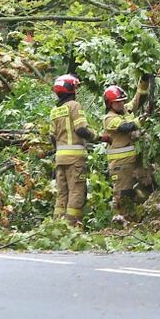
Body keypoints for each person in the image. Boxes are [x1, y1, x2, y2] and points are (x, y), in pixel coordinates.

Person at [48, 74, 98, 225]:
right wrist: (97, 136)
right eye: (76, 88)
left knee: (62, 194)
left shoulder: (55, 111)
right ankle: (72, 227)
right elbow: (81, 130)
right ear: (71, 89)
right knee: (76, 192)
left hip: (60, 159)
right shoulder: (74, 106)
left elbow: (52, 137)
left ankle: (57, 226)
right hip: (75, 160)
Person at [102, 75, 153, 214]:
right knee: (122, 195)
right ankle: (119, 221)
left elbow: (138, 99)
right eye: (117, 102)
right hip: (120, 164)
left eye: (122, 101)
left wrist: (144, 80)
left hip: (133, 161)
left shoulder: (126, 110)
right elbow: (127, 127)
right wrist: (144, 117)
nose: (121, 104)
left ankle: (135, 217)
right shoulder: (109, 119)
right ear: (109, 104)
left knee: (142, 188)